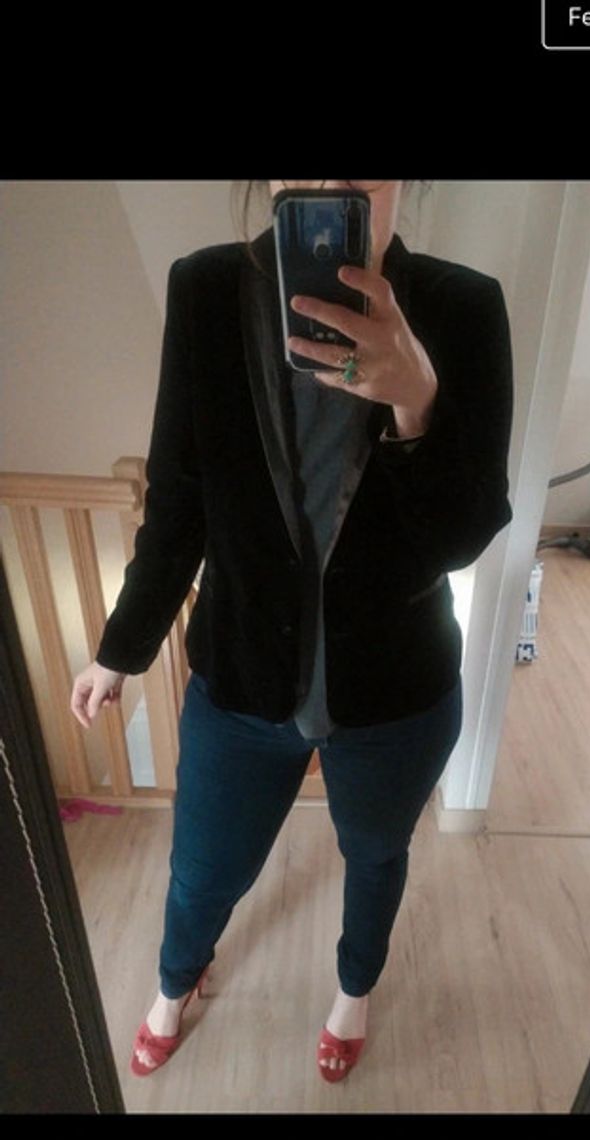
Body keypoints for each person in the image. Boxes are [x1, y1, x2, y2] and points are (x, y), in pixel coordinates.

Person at [70, 179, 514, 1085]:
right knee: (203, 868)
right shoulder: (205, 290)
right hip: (241, 675)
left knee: (374, 854)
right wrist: (122, 645)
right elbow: (180, 498)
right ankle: (175, 982)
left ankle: (354, 993)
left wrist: (418, 402)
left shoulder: (463, 307)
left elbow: (462, 540)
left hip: (396, 689)